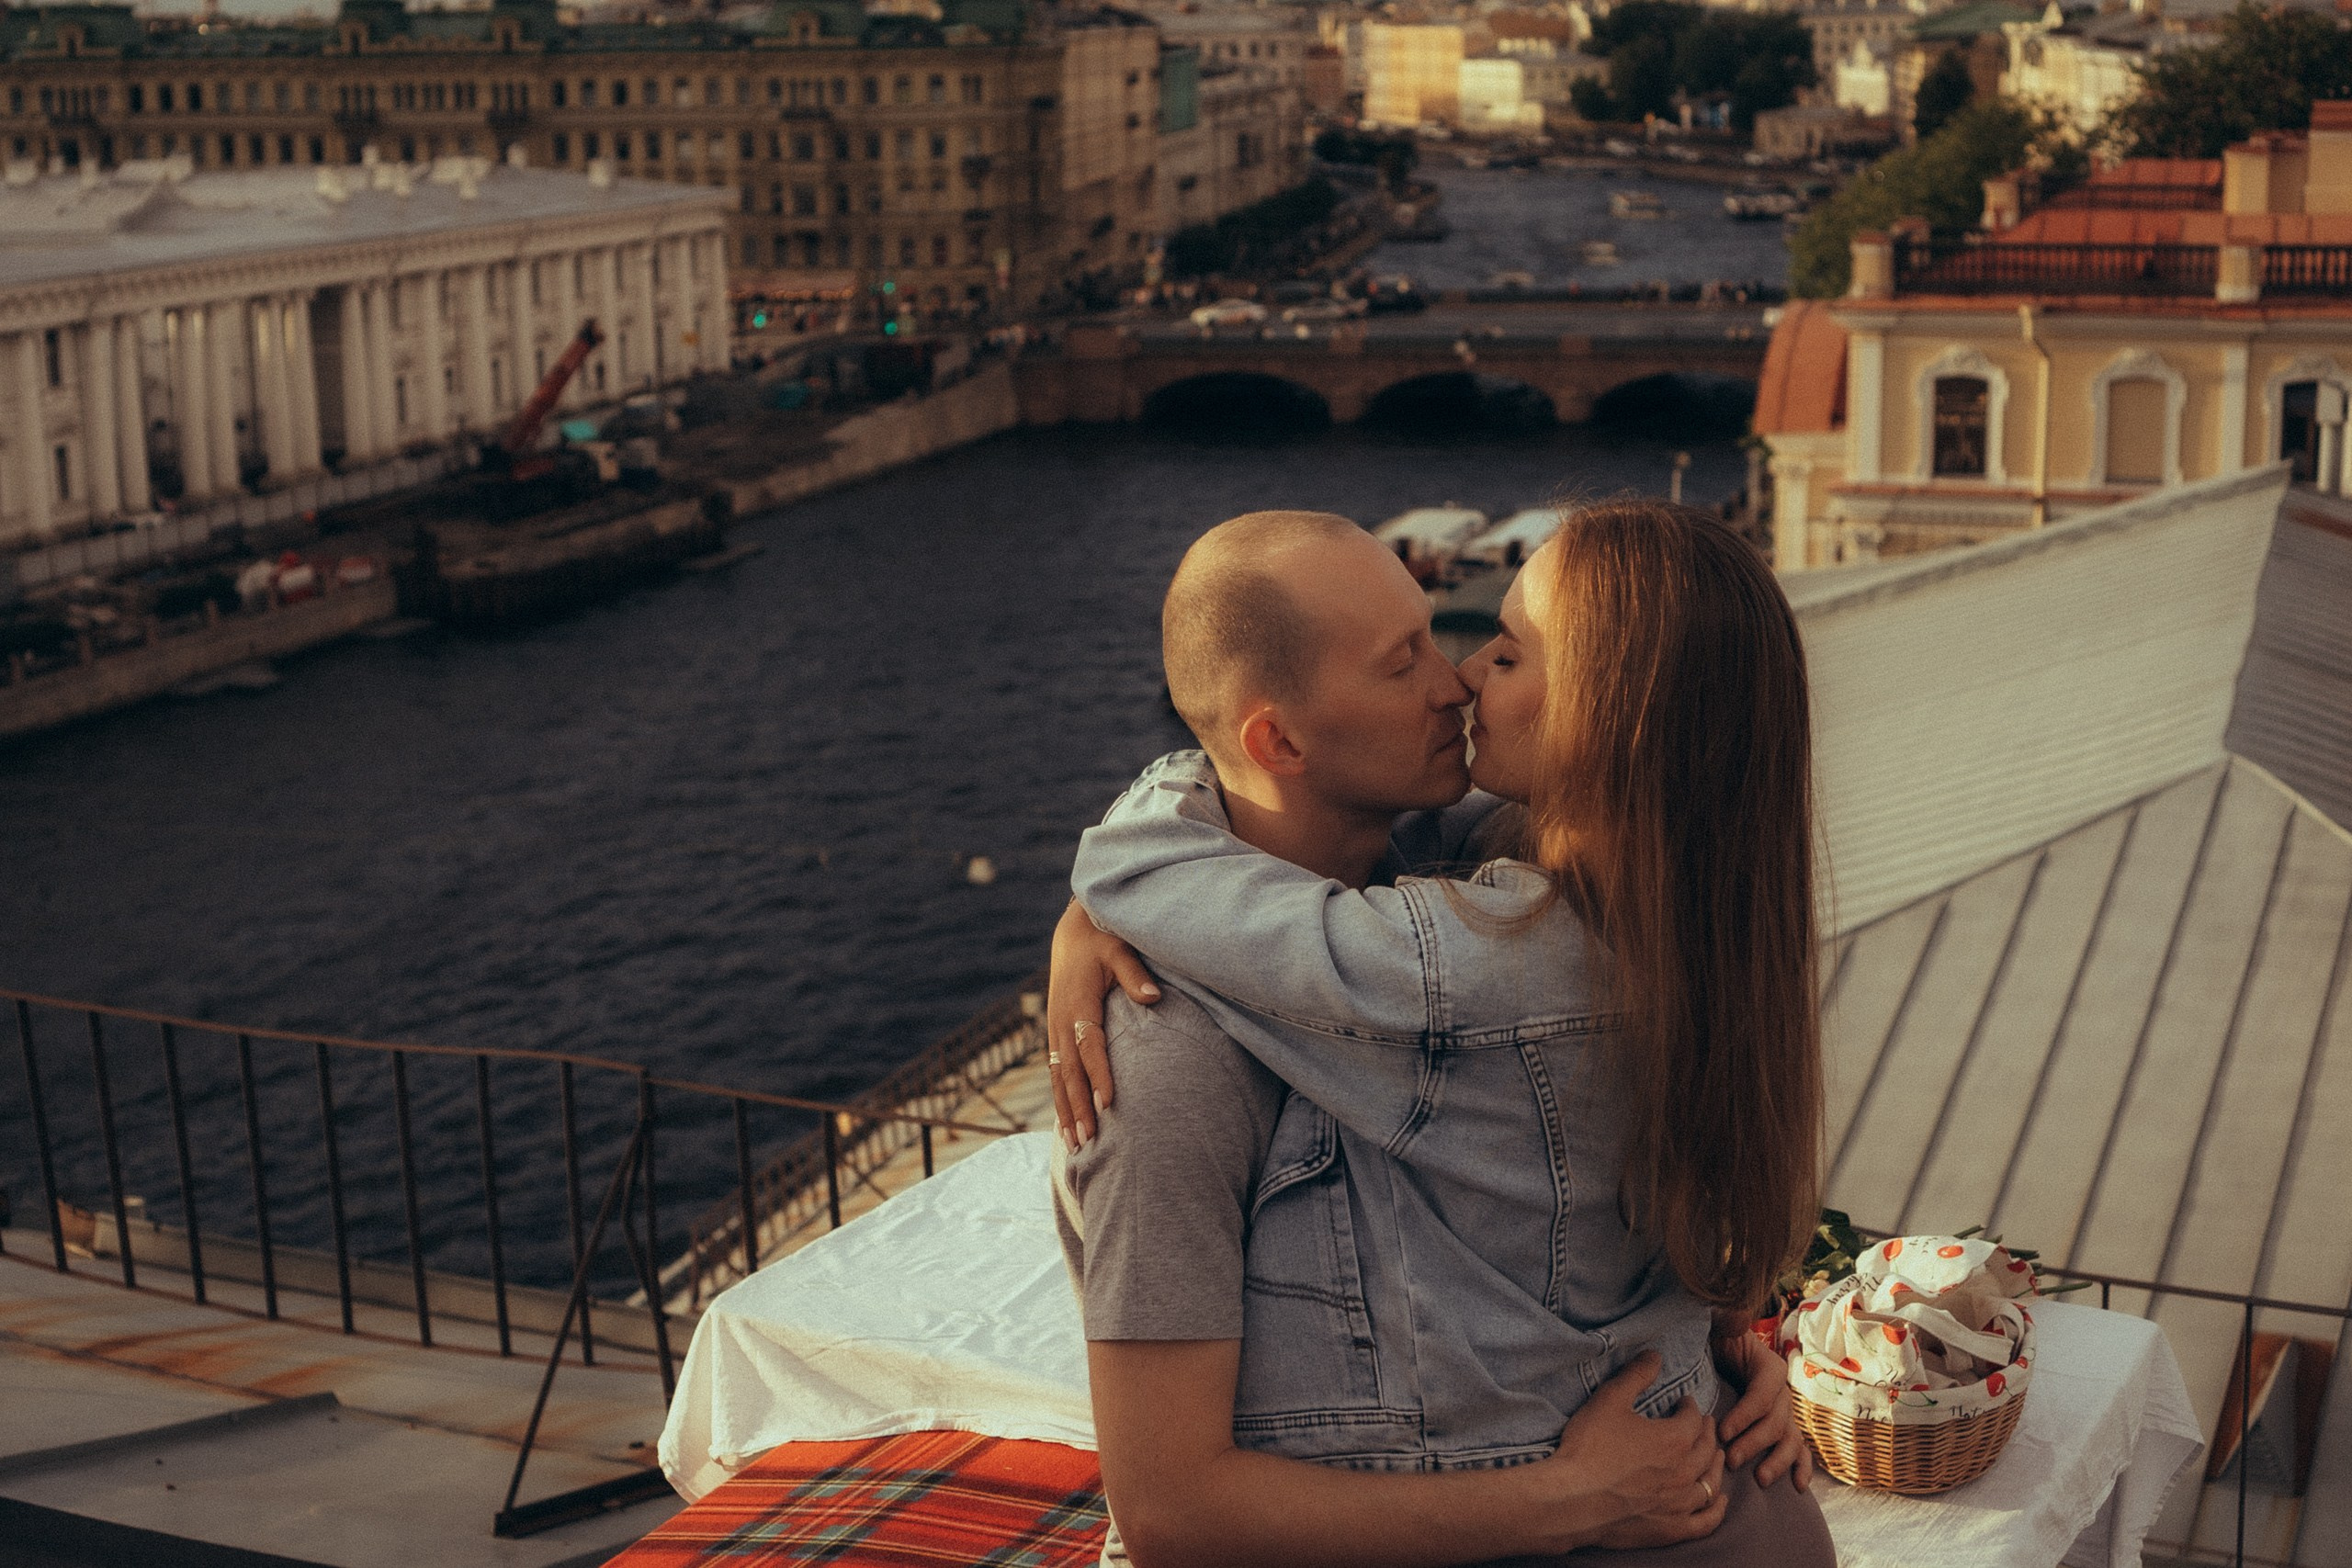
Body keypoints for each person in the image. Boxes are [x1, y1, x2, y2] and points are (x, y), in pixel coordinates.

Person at [1046, 508, 1832, 1567]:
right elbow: (1171, 1513)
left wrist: (1108, 890)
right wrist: (1607, 1461)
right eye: (1403, 660)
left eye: (1487, 648)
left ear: (1606, 720)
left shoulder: (1471, 927)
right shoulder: (1163, 1047)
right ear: (1278, 738)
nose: (1458, 680)